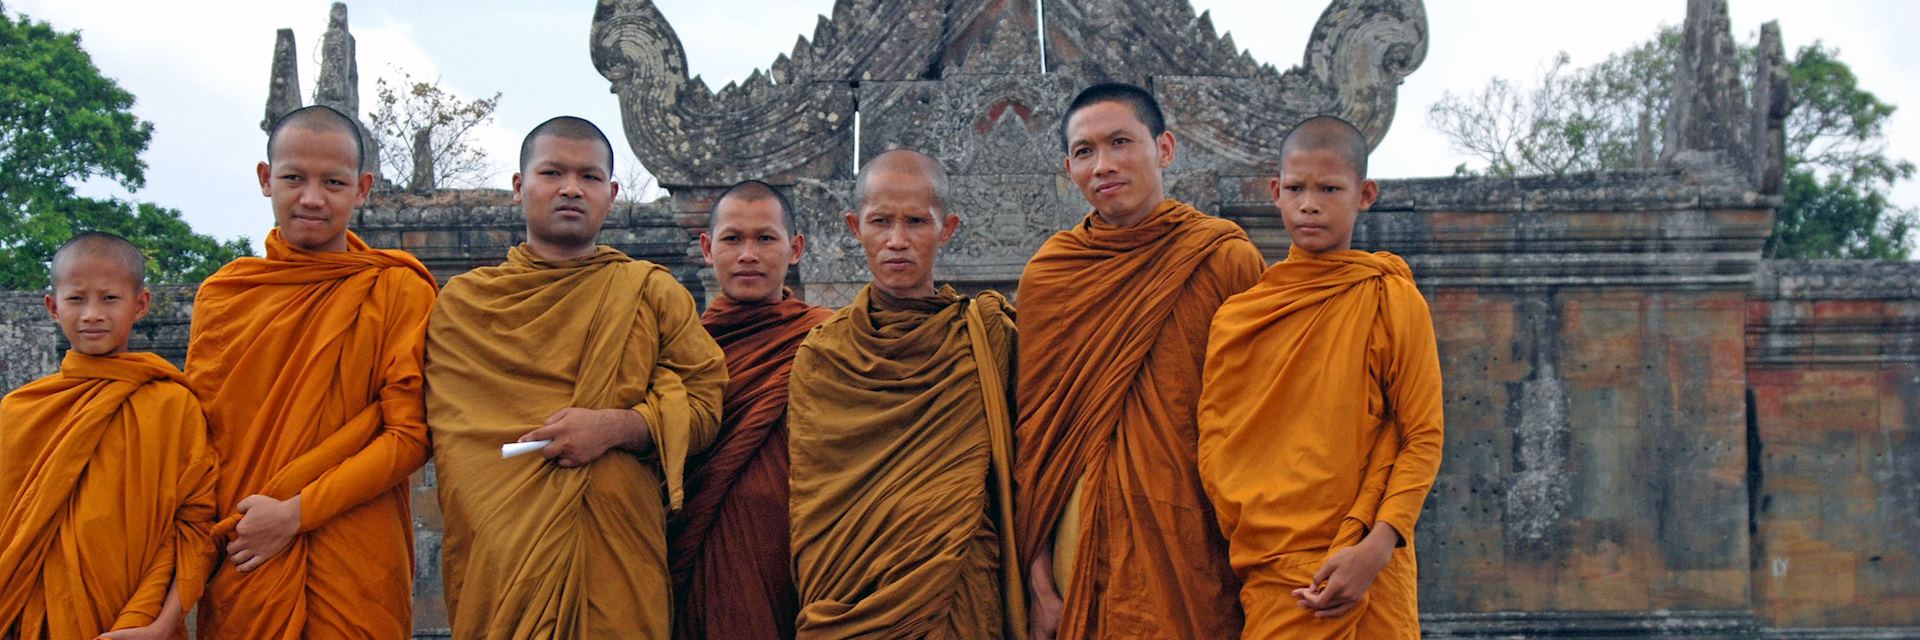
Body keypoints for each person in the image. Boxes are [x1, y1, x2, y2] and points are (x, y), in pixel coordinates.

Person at [426, 116, 726, 639]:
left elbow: (703, 407)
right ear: (520, 187)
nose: (571, 188)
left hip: (614, 553)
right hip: (504, 559)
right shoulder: (465, 305)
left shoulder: (650, 293)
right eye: (552, 173)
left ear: (610, 194)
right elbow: (461, 452)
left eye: (589, 177)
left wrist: (616, 427)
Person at [1016, 82, 1265, 639]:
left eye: (1121, 142)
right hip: (1079, 545)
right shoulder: (1051, 277)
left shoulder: (1224, 259)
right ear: (1069, 167)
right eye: (1085, 152)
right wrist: (1038, 585)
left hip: (1196, 540)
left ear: (1165, 149)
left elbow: (1262, 421)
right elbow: (1033, 437)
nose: (1103, 164)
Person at [187, 105, 437, 638]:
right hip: (246, 550)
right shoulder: (227, 296)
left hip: (354, 551)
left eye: (334, 182)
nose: (312, 198)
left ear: (363, 188)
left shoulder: (395, 290)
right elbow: (205, 444)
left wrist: (296, 514)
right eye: (294, 178)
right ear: (264, 179)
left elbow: (410, 436)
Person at [1198, 115, 1444, 637]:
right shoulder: (1243, 316)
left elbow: (1422, 436)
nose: (1309, 203)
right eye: (1296, 189)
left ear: (1365, 194)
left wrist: (1376, 547)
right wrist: (1261, 535)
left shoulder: (1390, 297)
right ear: (1275, 192)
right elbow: (1219, 445)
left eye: (1329, 188)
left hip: (1371, 561)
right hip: (1274, 568)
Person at [787, 149, 1025, 639]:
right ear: (855, 228)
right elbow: (815, 509)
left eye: (917, 221)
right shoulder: (823, 355)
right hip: (848, 591)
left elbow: (1026, 477)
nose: (897, 241)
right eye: (880, 222)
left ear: (948, 228)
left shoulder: (987, 337)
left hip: (957, 588)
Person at [0, 233, 217, 640]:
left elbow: (194, 528)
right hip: (37, 623)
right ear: (52, 307)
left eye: (110, 299)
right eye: (77, 299)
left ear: (140, 304)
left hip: (140, 617)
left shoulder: (173, 405)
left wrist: (161, 624)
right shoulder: (20, 412)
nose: (92, 314)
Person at [670, 180, 831, 640]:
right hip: (704, 554)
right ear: (707, 248)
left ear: (795, 248)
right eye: (732, 239)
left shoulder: (829, 340)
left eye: (765, 238)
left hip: (800, 556)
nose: (748, 254)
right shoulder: (680, 351)